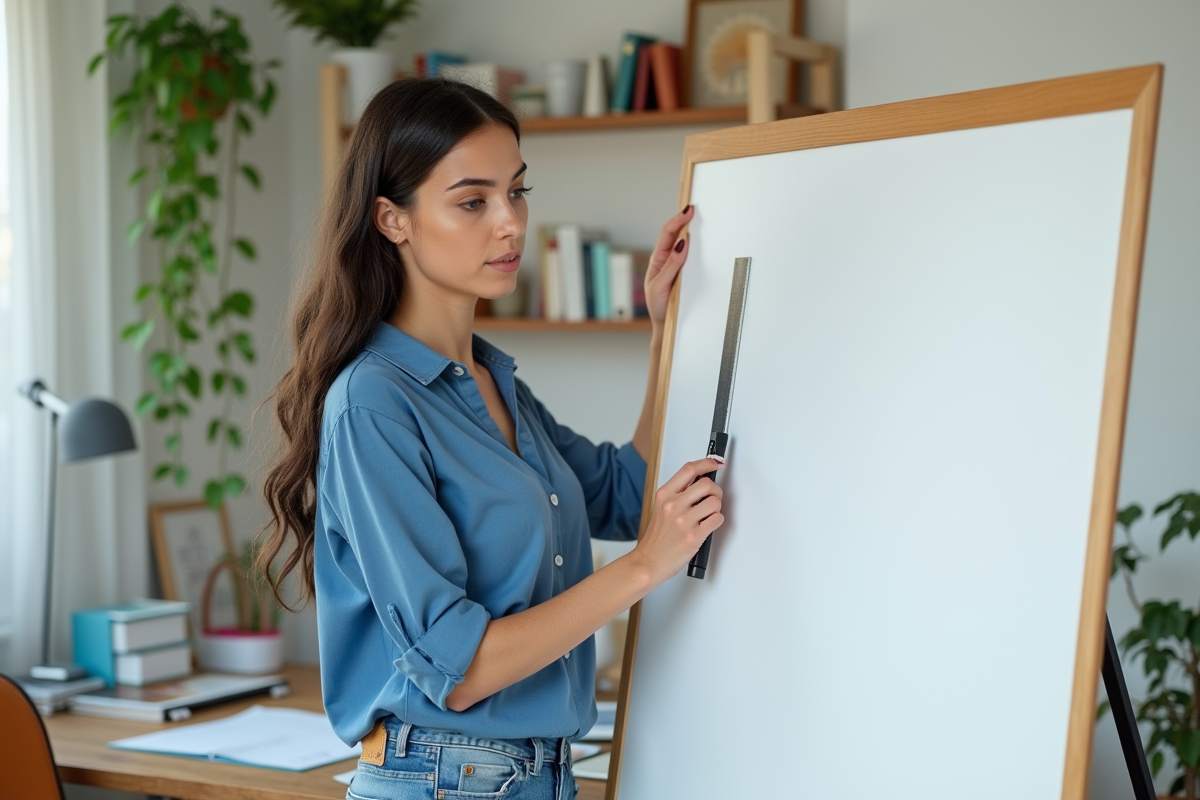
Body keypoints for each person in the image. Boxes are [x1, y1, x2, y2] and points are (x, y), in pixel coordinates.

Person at [259, 78, 725, 800]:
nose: (510, 222)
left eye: (518, 191)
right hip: (442, 780)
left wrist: (666, 331)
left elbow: (628, 493)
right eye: (473, 201)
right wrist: (642, 569)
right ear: (393, 220)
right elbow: (460, 665)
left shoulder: (493, 381)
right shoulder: (373, 402)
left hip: (541, 776)